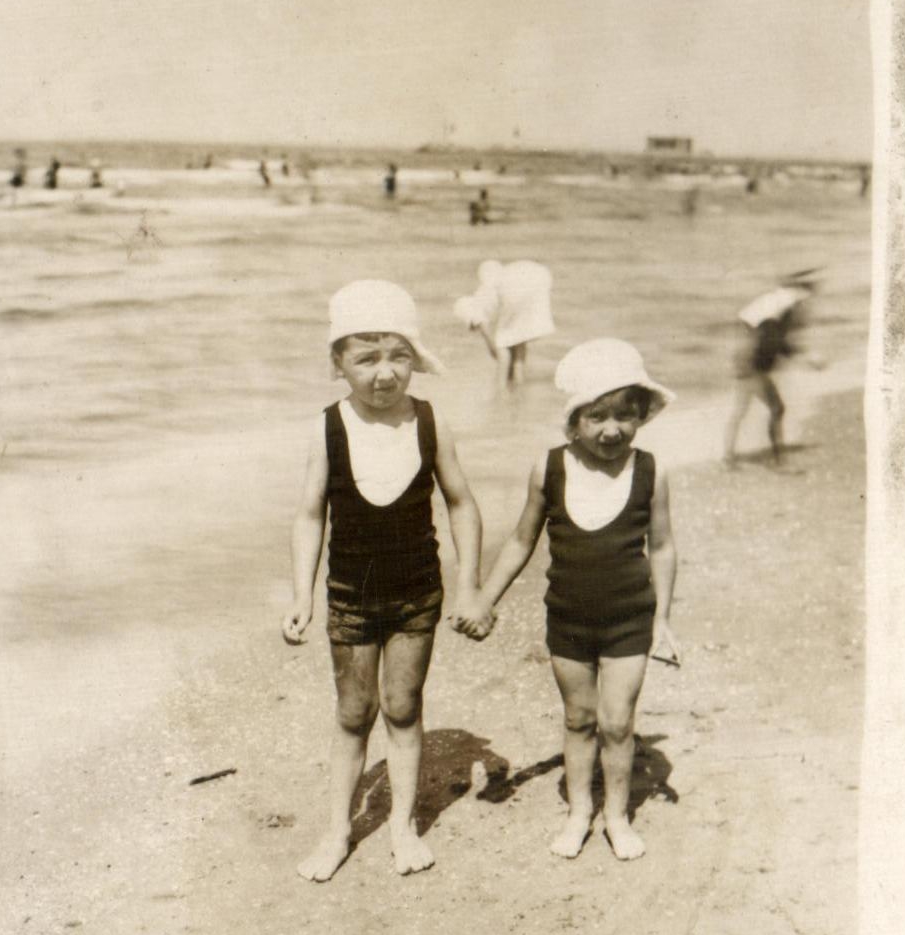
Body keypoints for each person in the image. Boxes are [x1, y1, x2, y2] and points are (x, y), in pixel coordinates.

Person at [283, 280, 487, 882]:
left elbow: (463, 504)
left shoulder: (428, 421)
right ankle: (339, 829)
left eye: (398, 356)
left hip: (418, 593)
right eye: (365, 358)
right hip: (349, 596)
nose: (384, 373)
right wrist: (302, 593)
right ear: (337, 363)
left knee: (402, 707)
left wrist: (470, 583)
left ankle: (401, 824)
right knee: (353, 712)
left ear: (415, 359)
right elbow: (307, 514)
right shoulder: (328, 427)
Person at [457, 340, 678, 863]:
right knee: (579, 719)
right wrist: (484, 600)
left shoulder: (650, 471)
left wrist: (663, 621)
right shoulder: (550, 468)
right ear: (573, 421)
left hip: (630, 619)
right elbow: (519, 541)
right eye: (596, 416)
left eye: (625, 415)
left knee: (618, 723)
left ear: (642, 416)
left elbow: (664, 548)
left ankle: (617, 817)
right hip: (569, 620)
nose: (611, 429)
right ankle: (580, 813)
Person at [724, 270, 819, 468]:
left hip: (744, 364)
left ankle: (728, 457)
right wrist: (803, 358)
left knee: (741, 410)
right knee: (777, 409)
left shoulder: (769, 311)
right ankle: (779, 461)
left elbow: (769, 341)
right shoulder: (779, 315)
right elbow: (774, 343)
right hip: (753, 368)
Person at [454, 259, 555, 389]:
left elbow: (493, 346)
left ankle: (501, 388)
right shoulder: (499, 279)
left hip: (519, 286)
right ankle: (518, 382)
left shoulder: (473, 307)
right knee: (519, 337)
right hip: (539, 277)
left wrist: (496, 350)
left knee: (502, 344)